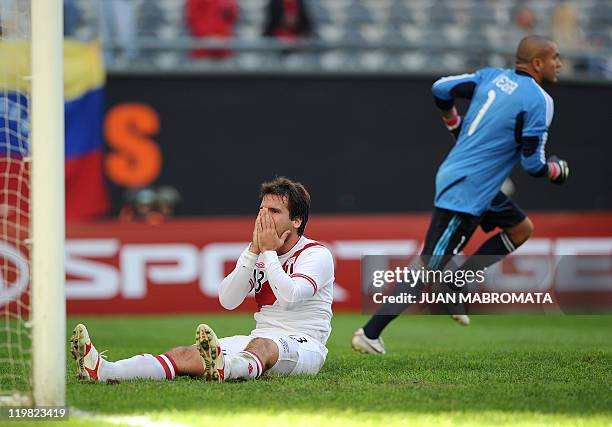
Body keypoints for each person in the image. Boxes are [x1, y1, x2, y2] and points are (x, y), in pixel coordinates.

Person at [351, 35, 570, 355]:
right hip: (467, 190)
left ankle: (458, 278)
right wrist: (558, 170)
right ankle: (369, 333)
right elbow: (533, 165)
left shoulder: (491, 76)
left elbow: (441, 89)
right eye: (555, 58)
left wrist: (454, 124)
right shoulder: (539, 100)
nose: (560, 64)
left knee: (521, 229)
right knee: (428, 266)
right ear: (538, 64)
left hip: (475, 183)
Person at [71, 177, 334, 382]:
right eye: (262, 209)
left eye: (274, 211)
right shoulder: (257, 251)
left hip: (305, 345)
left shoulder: (316, 254)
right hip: (260, 336)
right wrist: (254, 252)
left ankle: (227, 369)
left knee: (262, 346)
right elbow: (228, 300)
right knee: (183, 354)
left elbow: (291, 294)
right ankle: (105, 370)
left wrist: (266, 252)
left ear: (297, 220)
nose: (263, 217)